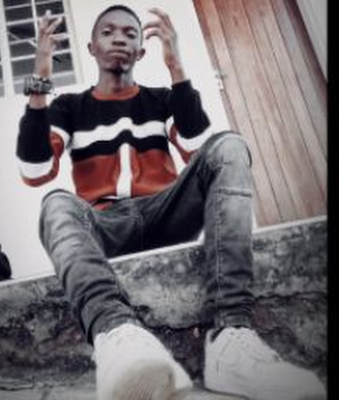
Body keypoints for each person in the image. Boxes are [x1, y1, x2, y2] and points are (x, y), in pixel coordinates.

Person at [16, 5, 326, 400]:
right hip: (105, 224)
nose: (119, 38)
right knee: (55, 202)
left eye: (130, 33)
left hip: (164, 213)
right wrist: (40, 81)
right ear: (91, 48)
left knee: (229, 145)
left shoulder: (161, 100)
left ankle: (232, 339)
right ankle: (119, 337)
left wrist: (176, 65)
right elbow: (35, 169)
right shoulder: (68, 107)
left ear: (141, 51)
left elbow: (198, 149)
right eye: (108, 32)